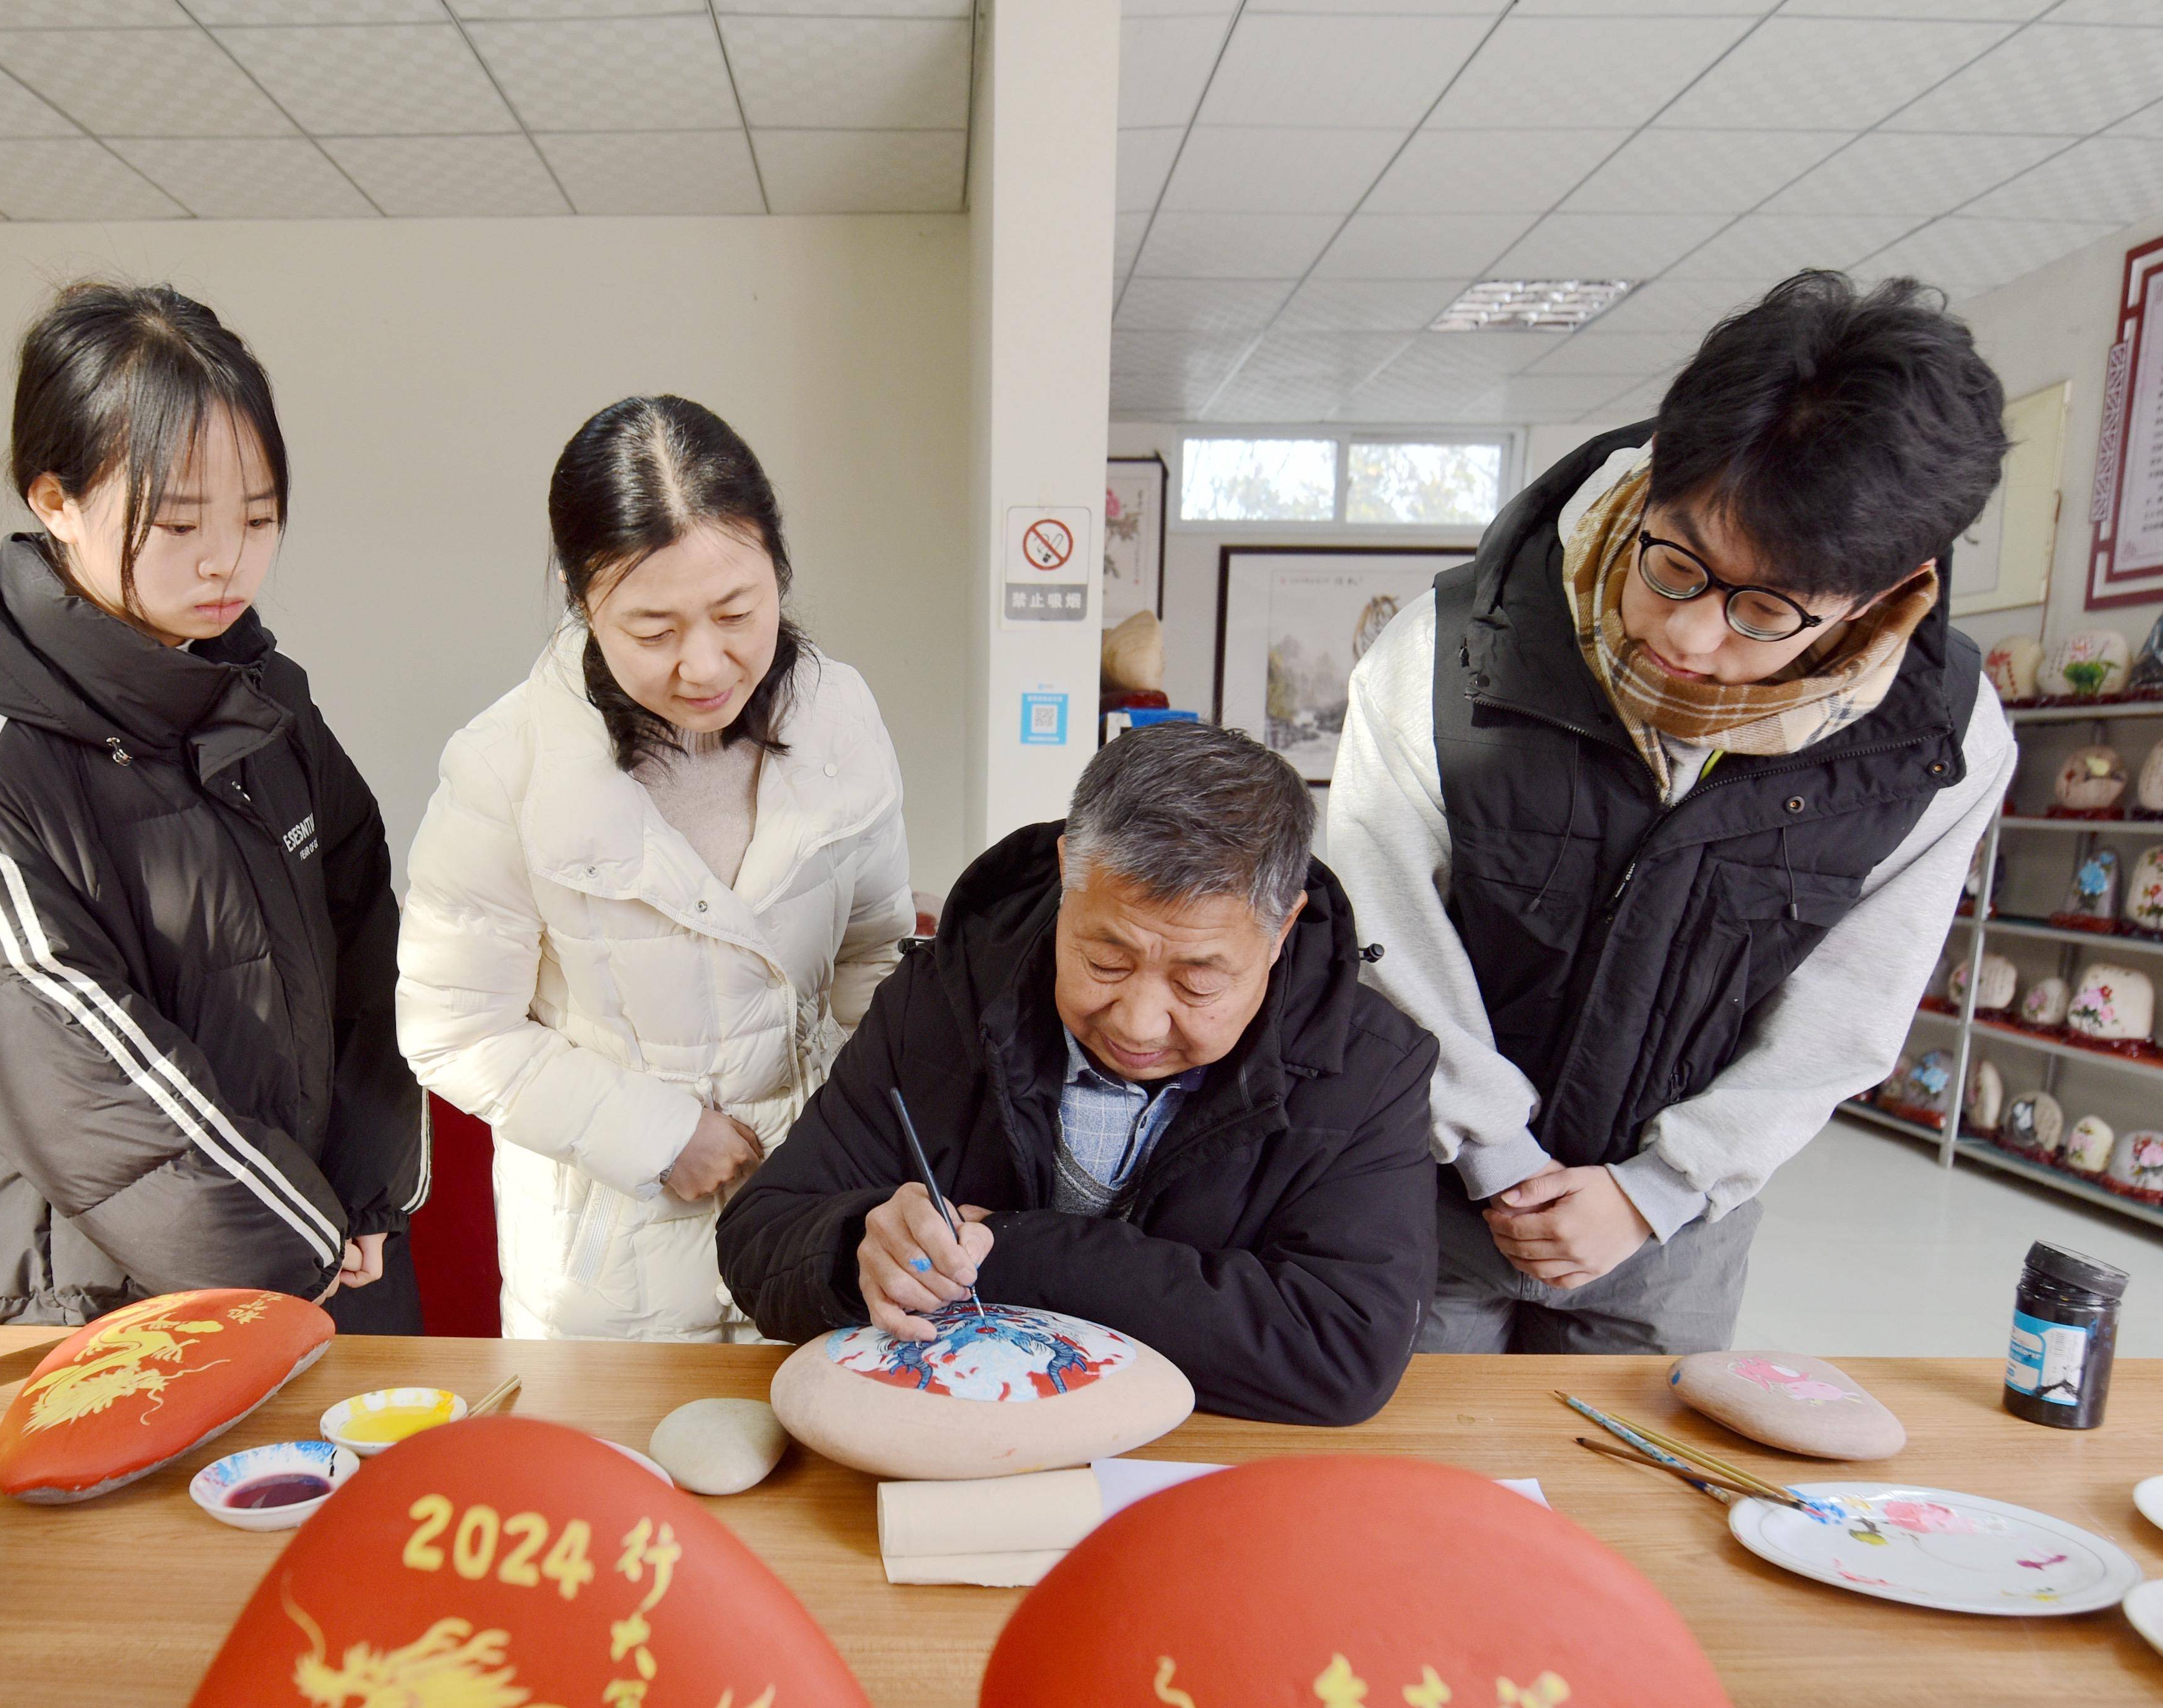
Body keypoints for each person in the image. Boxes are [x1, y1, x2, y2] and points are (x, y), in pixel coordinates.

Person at [1328, 270, 2014, 1355]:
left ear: (1885, 593)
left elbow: (1849, 1016)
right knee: (1413, 1498)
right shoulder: (1446, 650)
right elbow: (1379, 924)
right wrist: (1495, 1154)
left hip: (1670, 1232)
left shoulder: (1939, 744)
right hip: (1416, 1183)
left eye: (1766, 608)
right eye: (1676, 562)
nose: (1691, 637)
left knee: (1624, 1512)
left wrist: (1659, 1188)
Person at [0, 281, 423, 1328]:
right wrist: (301, 1241)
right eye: (176, 522)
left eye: (258, 517)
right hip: (111, 1303)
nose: (228, 559)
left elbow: (368, 935)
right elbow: (70, 1063)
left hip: (324, 1255)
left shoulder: (261, 701)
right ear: (55, 501)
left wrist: (364, 1188)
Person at [720, 722, 1437, 1426]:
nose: (1137, 1023)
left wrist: (1007, 1248)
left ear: (1282, 931)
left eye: (1196, 983)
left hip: (1193, 1466)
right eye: (1105, 963)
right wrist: (857, 1246)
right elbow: (758, 1235)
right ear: (1069, 875)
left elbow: (1342, 1350)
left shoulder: (1367, 1069)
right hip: (953, 1436)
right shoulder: (944, 997)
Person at [397, 395, 910, 1341]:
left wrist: (855, 1141)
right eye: (653, 629)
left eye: (735, 611)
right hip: (609, 1268)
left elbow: (873, 953)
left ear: (778, 571)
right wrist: (657, 1135)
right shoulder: (505, 764)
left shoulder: (839, 717)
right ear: (579, 595)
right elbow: (450, 1024)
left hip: (811, 1221)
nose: (705, 664)